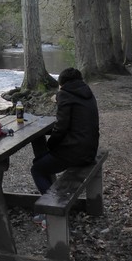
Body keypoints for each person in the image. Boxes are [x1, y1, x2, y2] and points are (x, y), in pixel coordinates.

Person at [31, 67, 99, 207]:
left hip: (76, 152)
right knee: (40, 160)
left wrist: (50, 145)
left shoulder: (64, 95)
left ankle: (52, 206)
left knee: (37, 169)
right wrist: (58, 97)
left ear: (62, 84)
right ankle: (54, 197)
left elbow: (61, 127)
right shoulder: (87, 93)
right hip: (90, 149)